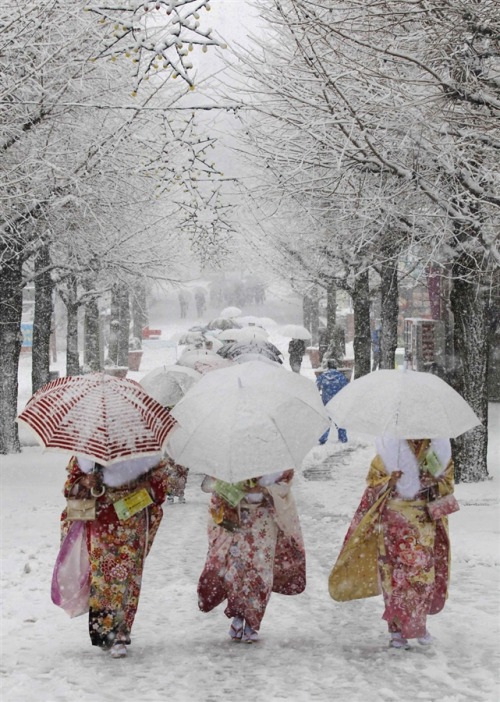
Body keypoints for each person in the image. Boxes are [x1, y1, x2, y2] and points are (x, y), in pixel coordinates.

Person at [329, 436, 457, 649]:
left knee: (421, 576)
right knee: (394, 576)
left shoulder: (437, 447)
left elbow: (447, 483)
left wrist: (434, 480)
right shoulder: (389, 449)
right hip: (394, 518)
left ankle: (418, 625)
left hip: (422, 518)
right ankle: (396, 631)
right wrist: (389, 481)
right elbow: (372, 482)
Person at [57, 455, 170, 658]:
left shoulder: (143, 451)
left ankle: (121, 631)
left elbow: (161, 483)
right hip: (101, 520)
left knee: (128, 578)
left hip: (132, 518)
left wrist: (146, 485)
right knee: (103, 578)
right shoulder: (87, 452)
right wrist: (83, 482)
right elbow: (69, 488)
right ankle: (107, 630)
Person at [197, 470, 306, 643]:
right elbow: (217, 490)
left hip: (264, 521)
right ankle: (238, 616)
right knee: (237, 570)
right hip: (239, 518)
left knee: (261, 572)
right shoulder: (232, 458)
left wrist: (265, 489)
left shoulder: (276, 457)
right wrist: (235, 490)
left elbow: (285, 483)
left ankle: (253, 621)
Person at [316, 360, 349, 443]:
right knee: (340, 419)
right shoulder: (341, 376)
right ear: (336, 367)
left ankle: (323, 438)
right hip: (337, 401)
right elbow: (347, 388)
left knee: (326, 420)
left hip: (326, 402)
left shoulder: (323, 376)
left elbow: (316, 387)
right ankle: (343, 437)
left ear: (328, 366)